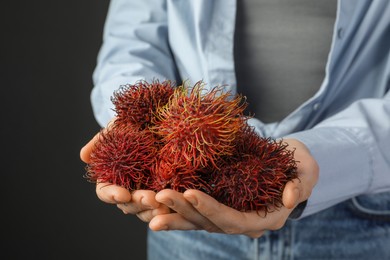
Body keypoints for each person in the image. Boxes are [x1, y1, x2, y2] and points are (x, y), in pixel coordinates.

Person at [80, 0, 390, 259]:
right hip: (188, 216)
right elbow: (131, 42)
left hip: (362, 216)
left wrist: (322, 153)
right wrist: (135, 126)